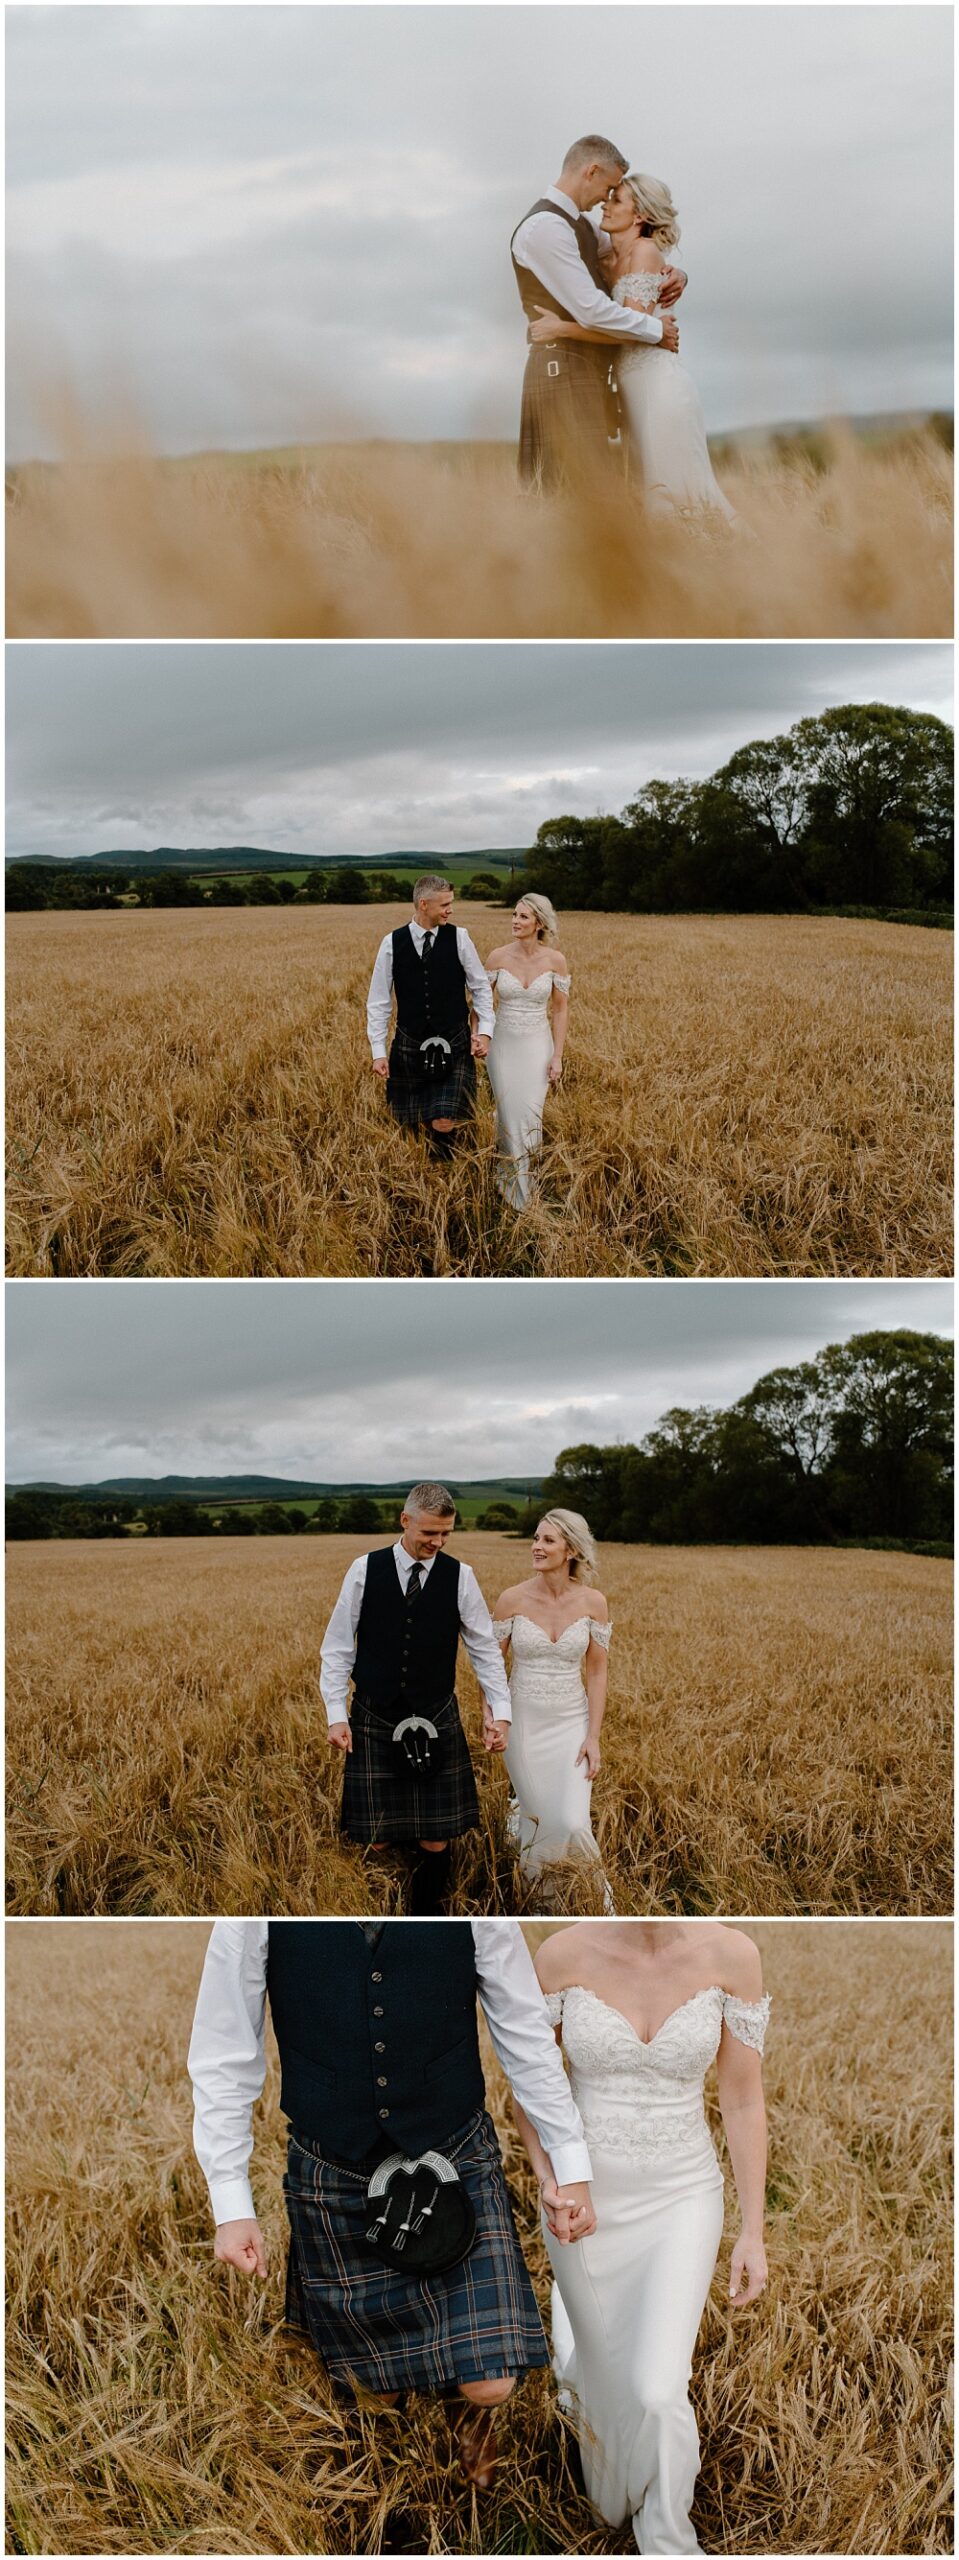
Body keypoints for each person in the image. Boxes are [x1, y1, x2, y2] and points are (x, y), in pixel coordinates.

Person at [188, 1918, 597, 2496]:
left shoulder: (474, 1906)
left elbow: (525, 2033)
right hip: (335, 2166)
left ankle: (469, 2413)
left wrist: (569, 2165)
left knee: (491, 2382)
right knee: (373, 2392)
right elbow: (224, 2051)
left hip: (451, 2153)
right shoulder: (252, 1918)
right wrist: (231, 2202)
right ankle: (399, 2472)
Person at [515, 1920, 770, 2554]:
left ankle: (666, 2533)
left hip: (683, 2196)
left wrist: (753, 2231)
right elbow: (530, 2088)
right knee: (599, 2389)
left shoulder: (733, 1956)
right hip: (582, 2204)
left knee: (658, 2387)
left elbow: (741, 2100)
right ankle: (608, 2473)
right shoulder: (560, 1954)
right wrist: (551, 2179)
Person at [321, 1482, 511, 1911]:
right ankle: (377, 1904)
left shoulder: (460, 1576)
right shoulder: (364, 1569)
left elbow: (484, 1649)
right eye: (429, 1533)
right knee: (378, 1832)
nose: (437, 1543)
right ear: (405, 1520)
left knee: (435, 1833)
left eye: (446, 1534)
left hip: (435, 1712)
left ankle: (427, 1912)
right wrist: (336, 1714)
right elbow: (336, 1647)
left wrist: (501, 1712)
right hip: (374, 1711)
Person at [529, 173, 736, 525]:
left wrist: (560, 328)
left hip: (660, 388)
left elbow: (628, 331)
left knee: (677, 494)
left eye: (617, 200)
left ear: (639, 215)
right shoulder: (607, 256)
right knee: (650, 494)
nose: (605, 205)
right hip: (631, 392)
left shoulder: (644, 251)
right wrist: (679, 278)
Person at [510, 133, 684, 489]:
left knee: (590, 499)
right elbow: (592, 310)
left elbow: (630, 252)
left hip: (582, 368)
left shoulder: (581, 225)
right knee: (571, 495)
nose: (606, 199)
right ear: (591, 172)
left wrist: (677, 273)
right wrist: (656, 331)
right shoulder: (546, 228)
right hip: (561, 369)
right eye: (609, 188)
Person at [485, 1510, 611, 1905]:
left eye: (548, 1541)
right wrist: (492, 1718)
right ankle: (537, 1903)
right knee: (539, 1820)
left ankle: (588, 1899)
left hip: (572, 1723)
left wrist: (593, 1737)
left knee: (572, 1820)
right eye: (536, 1539)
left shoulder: (594, 1603)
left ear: (571, 1549)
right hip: (523, 1723)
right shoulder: (512, 1599)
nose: (537, 1547)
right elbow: (491, 1668)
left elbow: (596, 1674)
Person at [367, 874, 494, 1157]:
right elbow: (378, 1001)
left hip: (454, 1040)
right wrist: (378, 1051)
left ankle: (445, 1172)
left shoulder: (460, 938)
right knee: (412, 1120)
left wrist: (484, 1031)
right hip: (410, 1041)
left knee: (444, 1119)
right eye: (445, 904)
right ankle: (426, 1168)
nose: (450, 909)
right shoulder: (391, 942)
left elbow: (481, 988)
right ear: (423, 904)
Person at [485, 896, 571, 1207]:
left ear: (539, 924)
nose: (515, 920)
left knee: (530, 1113)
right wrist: (477, 1036)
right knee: (509, 1113)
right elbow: (480, 1006)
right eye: (514, 914)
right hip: (502, 1046)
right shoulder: (496, 957)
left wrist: (557, 1056)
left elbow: (560, 1012)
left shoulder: (555, 961)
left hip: (538, 1046)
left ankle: (524, 1179)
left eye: (523, 916)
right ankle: (511, 1189)